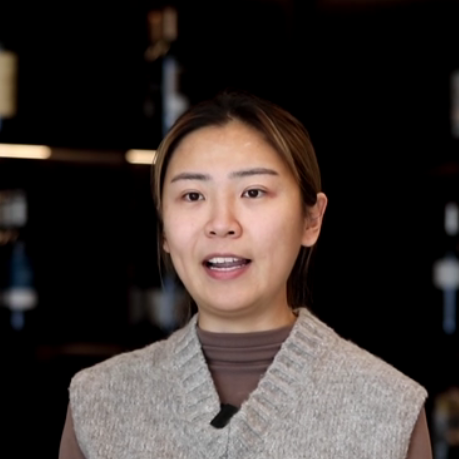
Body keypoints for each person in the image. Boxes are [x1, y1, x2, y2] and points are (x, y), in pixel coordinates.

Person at [59, 90, 432, 458]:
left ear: (311, 219)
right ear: (164, 232)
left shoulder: (390, 409)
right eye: (193, 196)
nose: (222, 223)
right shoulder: (98, 402)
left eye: (253, 192)